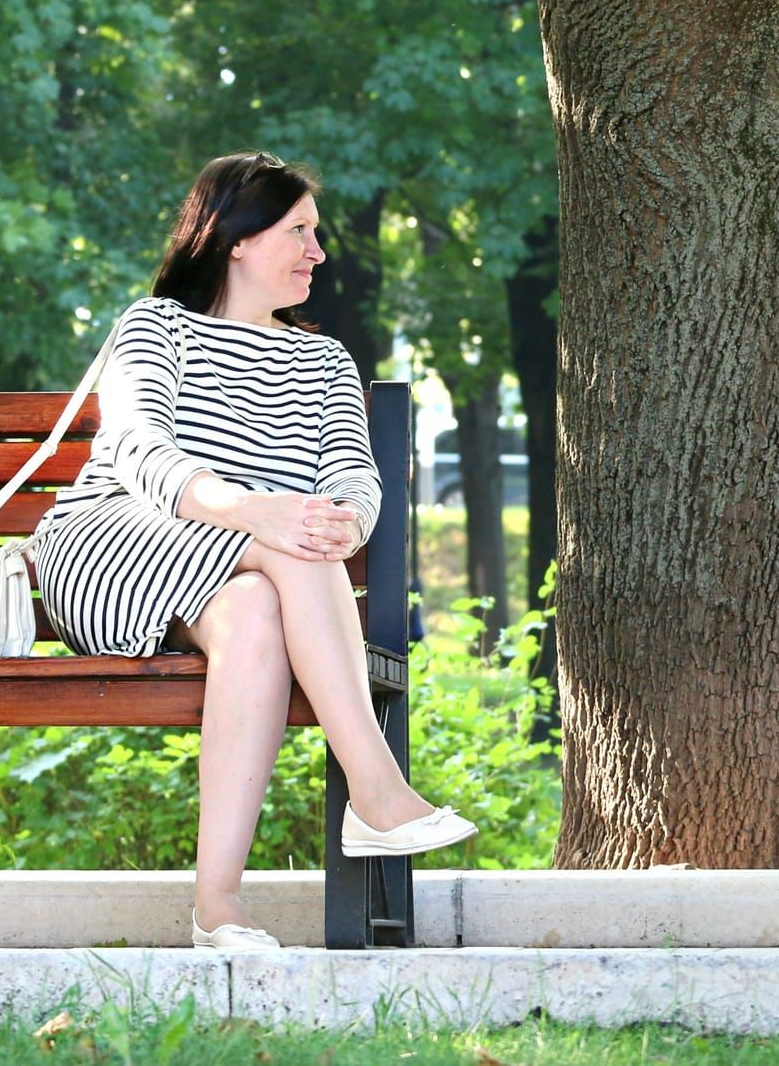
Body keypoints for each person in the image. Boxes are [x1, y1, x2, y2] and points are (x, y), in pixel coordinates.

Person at [32, 153, 476, 950]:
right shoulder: (156, 325)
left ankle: (219, 905)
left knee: (264, 598)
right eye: (298, 230)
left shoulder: (324, 360)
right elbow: (138, 450)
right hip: (112, 545)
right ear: (237, 238)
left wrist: (345, 521)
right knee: (289, 550)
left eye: (316, 233)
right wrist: (255, 513)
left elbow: (351, 472)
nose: (318, 250)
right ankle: (376, 792)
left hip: (243, 571)